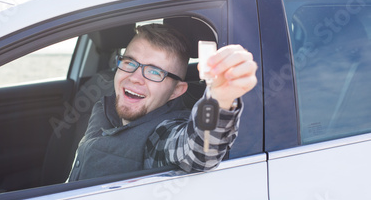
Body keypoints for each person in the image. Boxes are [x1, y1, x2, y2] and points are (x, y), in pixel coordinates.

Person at [67, 23, 257, 181]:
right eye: (130, 62)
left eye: (154, 72)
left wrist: (219, 100)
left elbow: (198, 149)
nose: (135, 77)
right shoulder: (104, 106)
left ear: (176, 91)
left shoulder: (160, 135)